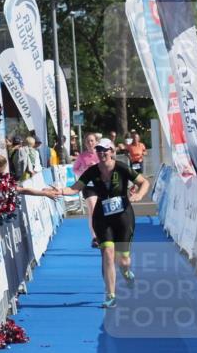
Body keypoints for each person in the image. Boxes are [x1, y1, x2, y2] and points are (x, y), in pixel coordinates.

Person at [57, 138, 150, 308]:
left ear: (112, 151)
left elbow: (144, 182)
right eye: (99, 150)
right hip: (102, 217)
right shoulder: (93, 170)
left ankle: (126, 272)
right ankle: (111, 295)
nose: (102, 153)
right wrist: (60, 191)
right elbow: (75, 188)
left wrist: (139, 195)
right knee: (107, 253)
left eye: (105, 150)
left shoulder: (121, 167)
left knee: (123, 261)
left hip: (123, 217)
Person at [73, 132, 101, 247]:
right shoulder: (82, 156)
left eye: (92, 141)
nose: (90, 143)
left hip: (101, 185)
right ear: (85, 143)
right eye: (88, 141)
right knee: (93, 210)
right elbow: (75, 169)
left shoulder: (101, 154)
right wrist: (84, 169)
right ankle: (95, 237)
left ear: (96, 142)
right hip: (88, 186)